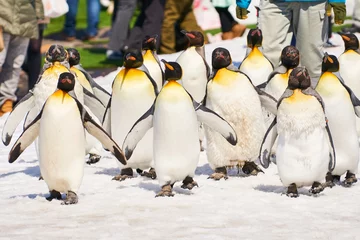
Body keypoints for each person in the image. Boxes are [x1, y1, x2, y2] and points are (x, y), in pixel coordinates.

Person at [235, 0, 346, 81]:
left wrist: (338, 1)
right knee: (265, 55)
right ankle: (264, 102)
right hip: (273, 3)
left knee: (311, 59)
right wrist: (242, 2)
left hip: (313, 3)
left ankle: (312, 101)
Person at [0, 0, 44, 117]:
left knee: (15, 63)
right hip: (3, 16)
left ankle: (6, 102)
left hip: (25, 18)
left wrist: (39, 14)